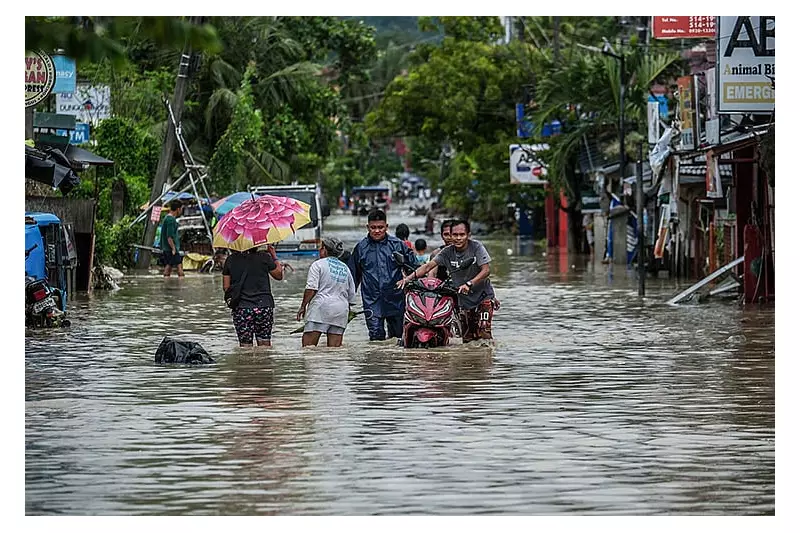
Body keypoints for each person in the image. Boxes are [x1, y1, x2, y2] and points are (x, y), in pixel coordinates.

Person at [398, 219, 496, 342]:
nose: (458, 238)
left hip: (483, 297)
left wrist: (470, 283)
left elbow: (486, 270)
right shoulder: (446, 252)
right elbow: (428, 267)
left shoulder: (477, 247)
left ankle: (488, 358)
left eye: (462, 235)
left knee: (483, 332)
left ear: (468, 235)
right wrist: (407, 279)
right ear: (450, 235)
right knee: (467, 339)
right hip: (463, 299)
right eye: (455, 235)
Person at [348, 209, 418, 341]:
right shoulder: (361, 248)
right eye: (373, 228)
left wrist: (412, 288)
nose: (377, 231)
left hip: (396, 299)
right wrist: (347, 300)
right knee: (375, 338)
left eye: (380, 227)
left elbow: (414, 269)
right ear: (367, 227)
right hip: (371, 301)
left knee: (398, 337)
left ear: (386, 227)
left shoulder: (398, 245)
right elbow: (353, 277)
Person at [296, 237, 357, 348]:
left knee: (308, 349)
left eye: (320, 248)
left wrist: (303, 306)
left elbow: (311, 288)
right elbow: (351, 296)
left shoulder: (318, 265)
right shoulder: (345, 268)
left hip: (320, 309)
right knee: (334, 351)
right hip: (340, 311)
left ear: (324, 249)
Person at [222, 245, 284, 347]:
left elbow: (226, 287)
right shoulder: (265, 257)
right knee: (264, 343)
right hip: (264, 306)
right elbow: (279, 275)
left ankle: (248, 363)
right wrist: (274, 256)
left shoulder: (231, 260)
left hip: (242, 308)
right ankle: (265, 362)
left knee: (245, 346)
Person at [160, 199, 184, 278]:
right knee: (179, 268)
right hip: (171, 249)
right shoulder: (171, 220)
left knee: (169, 267)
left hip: (168, 248)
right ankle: (181, 285)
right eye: (181, 209)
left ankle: (166, 284)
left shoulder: (167, 218)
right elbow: (169, 236)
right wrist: (173, 248)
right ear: (178, 209)